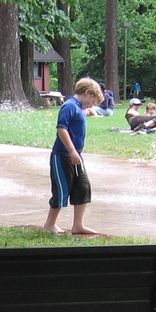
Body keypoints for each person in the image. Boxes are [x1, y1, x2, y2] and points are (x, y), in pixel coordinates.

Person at [44, 77, 103, 237]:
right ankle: (50, 223)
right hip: (63, 156)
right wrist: (71, 150)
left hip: (76, 156)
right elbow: (61, 128)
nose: (91, 106)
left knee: (83, 187)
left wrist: (75, 152)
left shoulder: (77, 107)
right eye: (92, 102)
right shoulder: (69, 106)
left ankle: (78, 225)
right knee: (62, 189)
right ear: (87, 92)